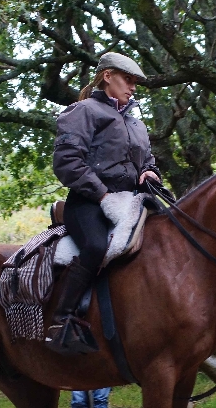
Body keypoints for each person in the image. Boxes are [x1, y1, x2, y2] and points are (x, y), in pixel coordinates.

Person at [48, 52, 161, 355]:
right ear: (108, 76)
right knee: (96, 246)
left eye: (136, 82)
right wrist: (102, 194)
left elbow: (147, 160)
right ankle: (61, 320)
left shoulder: (136, 124)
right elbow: (67, 162)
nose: (133, 87)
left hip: (129, 202)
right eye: (128, 80)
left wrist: (150, 171)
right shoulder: (83, 111)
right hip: (87, 202)